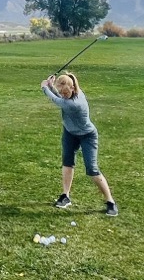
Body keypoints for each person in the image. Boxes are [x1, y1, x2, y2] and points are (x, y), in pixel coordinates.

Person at [41, 72, 118, 216]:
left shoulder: (75, 103)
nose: (63, 95)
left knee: (92, 169)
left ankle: (110, 202)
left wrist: (45, 87)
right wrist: (52, 85)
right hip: (70, 132)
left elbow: (56, 100)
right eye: (62, 93)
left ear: (72, 89)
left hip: (87, 136)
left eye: (66, 93)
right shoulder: (72, 89)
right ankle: (65, 196)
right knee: (67, 162)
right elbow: (60, 96)